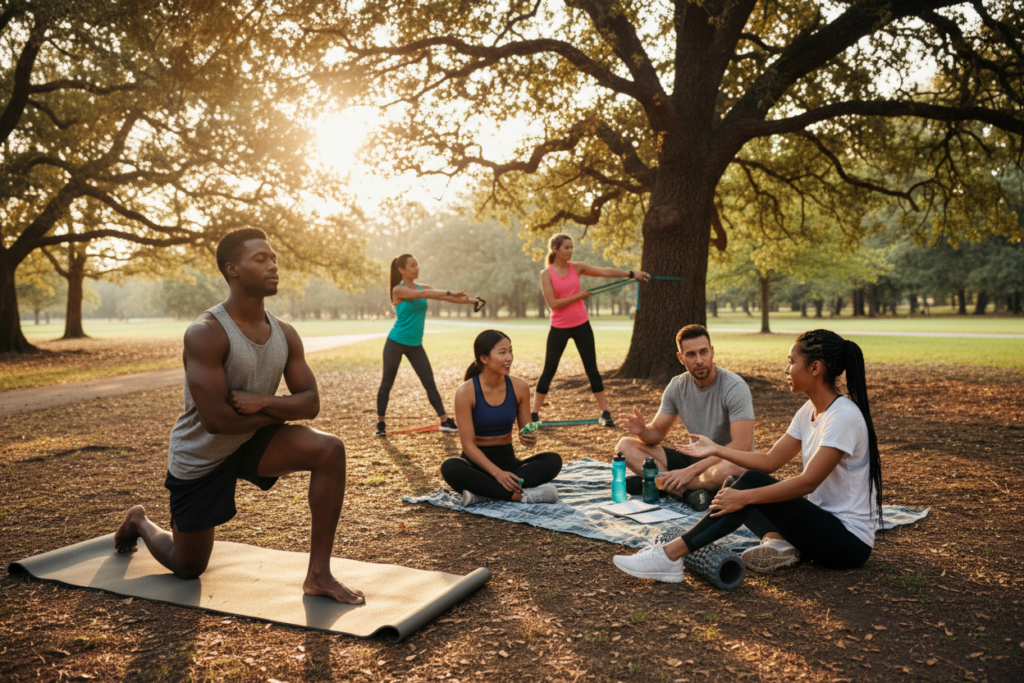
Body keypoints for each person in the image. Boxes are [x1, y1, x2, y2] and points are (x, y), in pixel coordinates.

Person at [113, 228, 364, 604]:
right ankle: (139, 521)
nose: (273, 265)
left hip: (251, 440)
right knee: (188, 568)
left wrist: (262, 402)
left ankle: (318, 575)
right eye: (260, 259)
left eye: (274, 258)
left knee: (329, 449)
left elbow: (310, 402)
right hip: (202, 454)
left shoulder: (286, 333)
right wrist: (277, 409)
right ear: (232, 269)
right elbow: (218, 421)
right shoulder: (206, 333)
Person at [611, 329, 883, 582]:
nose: (786, 369)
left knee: (748, 485)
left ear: (814, 368)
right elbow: (770, 461)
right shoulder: (807, 412)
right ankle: (777, 541)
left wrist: (745, 496)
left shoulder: (842, 416)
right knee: (737, 484)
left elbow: (807, 483)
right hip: (819, 527)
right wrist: (717, 449)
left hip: (848, 544)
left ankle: (670, 555)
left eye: (791, 362)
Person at [615, 324, 753, 511]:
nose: (699, 360)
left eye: (704, 352)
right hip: (694, 458)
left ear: (712, 352)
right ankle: (686, 492)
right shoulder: (677, 386)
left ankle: (657, 483)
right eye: (691, 354)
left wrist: (690, 472)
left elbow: (742, 446)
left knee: (732, 470)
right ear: (681, 358)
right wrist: (643, 431)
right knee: (625, 446)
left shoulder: (734, 387)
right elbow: (656, 434)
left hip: (724, 462)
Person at [534, 233, 648, 427]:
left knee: (592, 370)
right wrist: (578, 297)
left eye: (571, 247)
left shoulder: (576, 268)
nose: (570, 251)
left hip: (581, 325)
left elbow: (604, 271)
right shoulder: (546, 274)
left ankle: (604, 412)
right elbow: (553, 304)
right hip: (559, 327)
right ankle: (534, 415)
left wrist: (630, 274)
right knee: (549, 371)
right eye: (566, 248)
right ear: (555, 250)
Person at [441, 330, 562, 506]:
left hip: (508, 463)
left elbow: (525, 429)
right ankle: (517, 496)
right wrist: (497, 474)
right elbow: (467, 445)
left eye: (510, 351)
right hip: (476, 466)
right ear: (484, 358)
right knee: (450, 467)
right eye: (502, 352)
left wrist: (527, 437)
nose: (509, 358)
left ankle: (484, 494)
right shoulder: (466, 392)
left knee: (553, 460)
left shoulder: (519, 387)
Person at [375, 253, 479, 436]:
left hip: (415, 345)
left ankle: (445, 420)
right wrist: (449, 292)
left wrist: (469, 301)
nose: (417, 268)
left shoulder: (424, 287)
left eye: (417, 265)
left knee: (429, 382)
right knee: (387, 384)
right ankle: (381, 424)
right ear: (401, 270)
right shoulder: (397, 290)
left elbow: (443, 297)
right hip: (396, 342)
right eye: (412, 266)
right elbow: (424, 294)